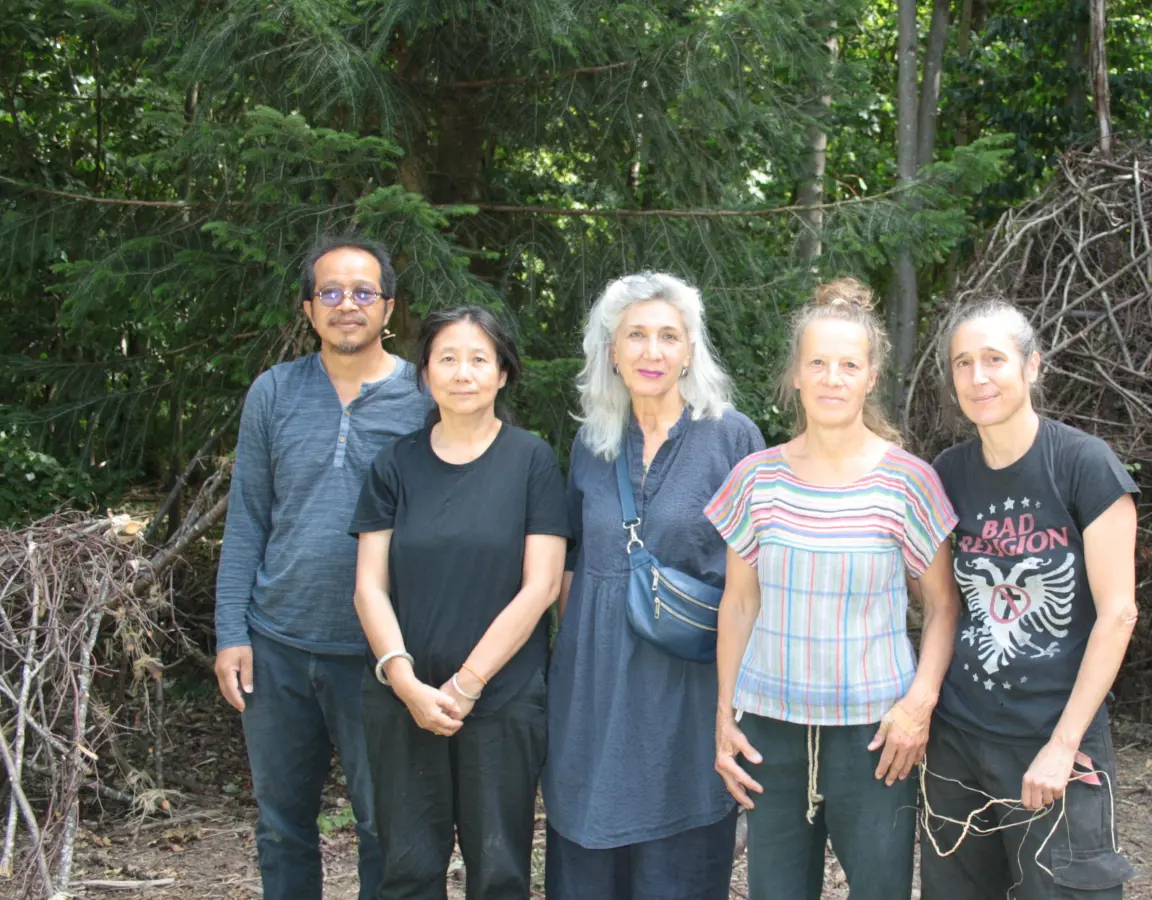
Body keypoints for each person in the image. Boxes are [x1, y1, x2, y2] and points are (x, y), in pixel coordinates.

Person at [707, 278, 961, 900]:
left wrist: (918, 706)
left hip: (877, 736)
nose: (832, 377)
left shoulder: (909, 482)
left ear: (872, 376)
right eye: (817, 363)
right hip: (771, 734)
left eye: (849, 364)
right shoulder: (755, 478)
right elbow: (739, 603)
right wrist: (724, 715)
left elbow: (942, 607)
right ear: (795, 374)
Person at [213, 235, 430, 900]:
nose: (346, 305)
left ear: (388, 307)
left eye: (362, 292)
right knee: (281, 828)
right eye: (330, 292)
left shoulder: (424, 399)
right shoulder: (274, 393)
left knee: (383, 829)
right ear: (308, 309)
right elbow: (247, 516)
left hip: (380, 655)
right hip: (276, 647)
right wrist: (231, 634)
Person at [543, 272, 763, 900]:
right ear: (611, 349)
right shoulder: (591, 441)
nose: (652, 351)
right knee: (588, 853)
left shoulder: (733, 437)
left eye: (669, 336)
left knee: (680, 860)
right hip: (594, 686)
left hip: (688, 687)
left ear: (691, 349)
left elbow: (755, 577)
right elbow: (572, 564)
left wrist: (736, 699)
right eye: (635, 335)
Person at [918, 299, 1139, 900]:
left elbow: (1118, 612)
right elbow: (944, 605)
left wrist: (1063, 747)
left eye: (994, 359)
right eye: (963, 363)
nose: (978, 377)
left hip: (1054, 738)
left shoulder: (1084, 465)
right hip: (959, 742)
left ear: (1032, 366)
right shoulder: (948, 472)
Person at [349, 306, 568, 900]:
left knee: (499, 873)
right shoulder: (394, 464)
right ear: (425, 374)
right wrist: (404, 681)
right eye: (447, 358)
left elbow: (542, 586)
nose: (463, 372)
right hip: (403, 700)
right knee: (408, 871)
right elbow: (369, 584)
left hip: (501, 700)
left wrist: (468, 683)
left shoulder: (532, 461)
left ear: (502, 374)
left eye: (479, 359)